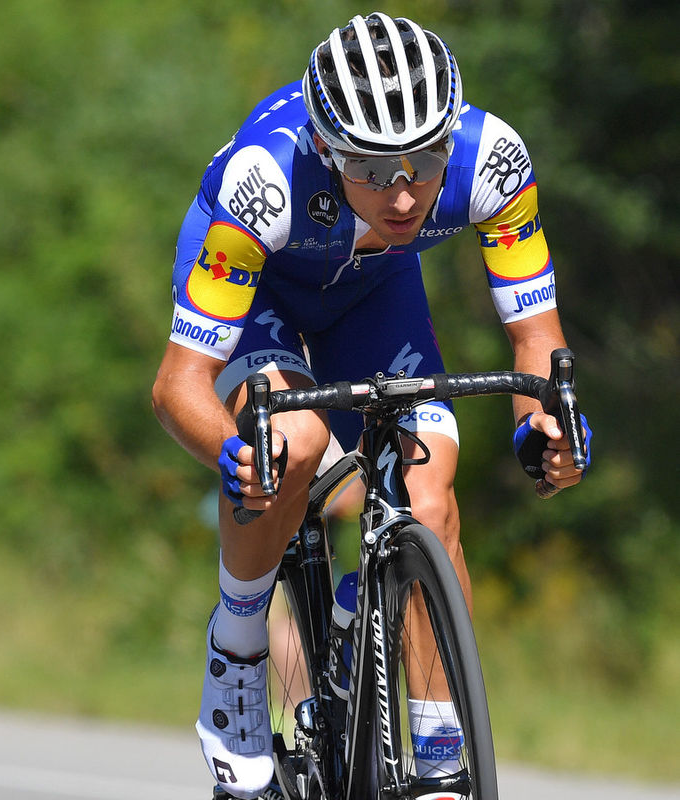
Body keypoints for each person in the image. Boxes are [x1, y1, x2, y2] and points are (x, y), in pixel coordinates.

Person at [151, 13, 591, 799]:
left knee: (430, 495)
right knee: (291, 440)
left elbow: (537, 345)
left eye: (423, 163)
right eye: (370, 167)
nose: (402, 193)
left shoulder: (492, 160)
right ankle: (238, 654)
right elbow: (176, 386)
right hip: (263, 294)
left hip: (374, 292)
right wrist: (237, 455)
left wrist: (545, 426)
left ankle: (435, 757)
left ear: (449, 138)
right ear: (325, 148)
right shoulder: (265, 179)